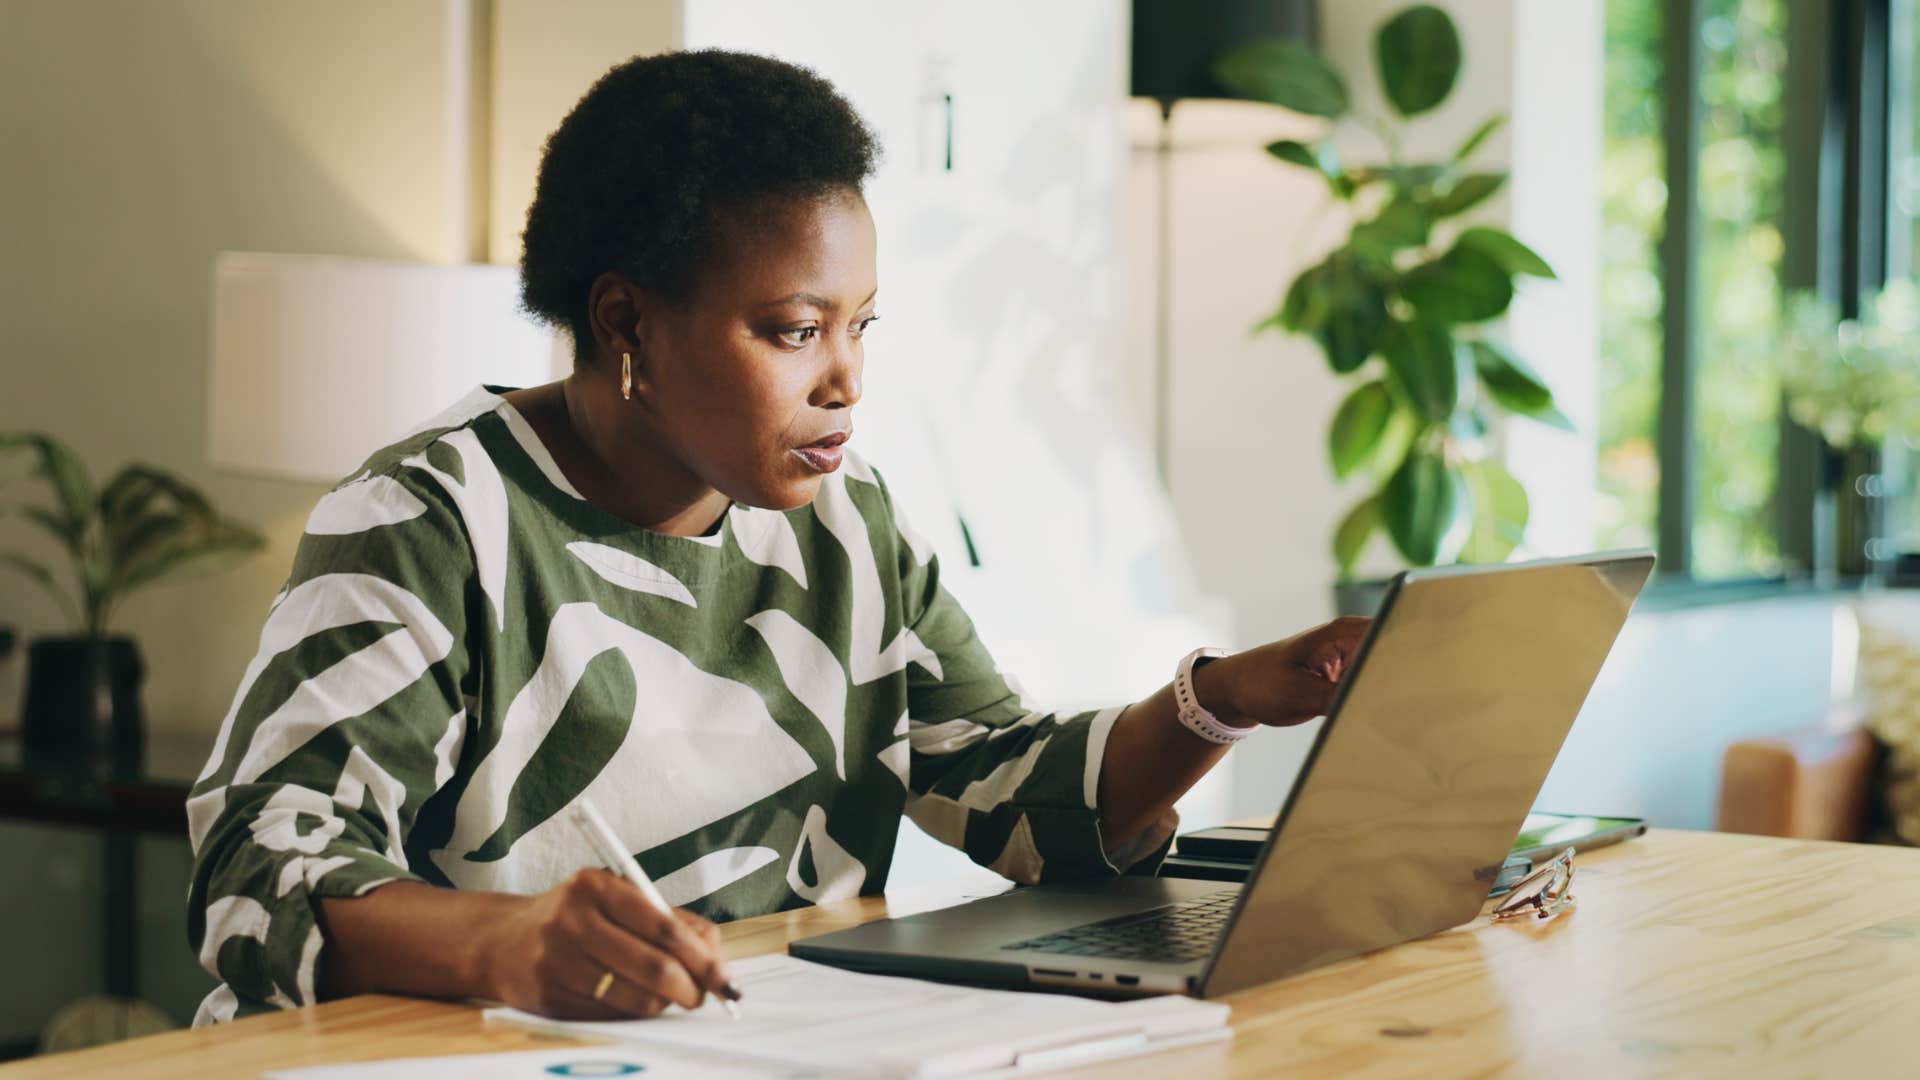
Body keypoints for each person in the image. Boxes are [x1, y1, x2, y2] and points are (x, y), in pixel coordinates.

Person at [185, 49, 1367, 1027]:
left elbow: (1010, 793)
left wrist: (1223, 698)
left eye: (861, 326)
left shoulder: (848, 527)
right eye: (797, 330)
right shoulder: (431, 522)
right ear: (625, 321)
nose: (846, 380)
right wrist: (505, 943)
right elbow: (257, 870)